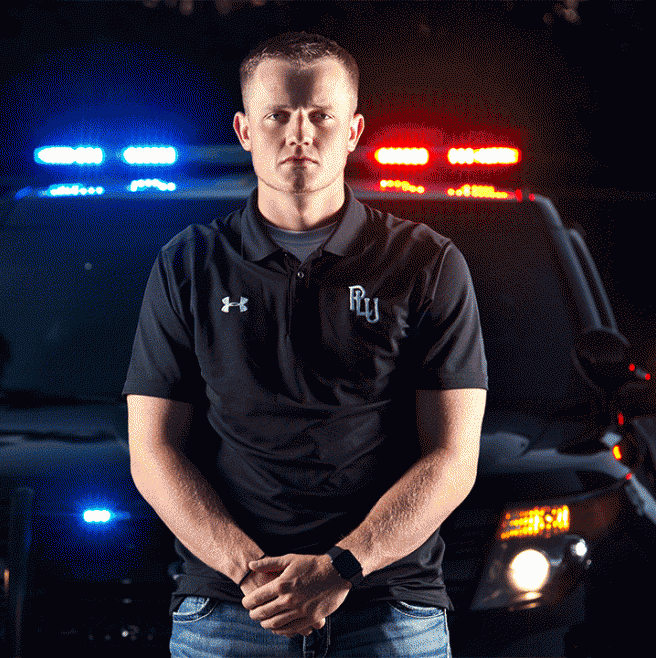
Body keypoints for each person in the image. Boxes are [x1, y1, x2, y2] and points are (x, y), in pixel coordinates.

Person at [123, 31, 487, 658]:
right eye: (277, 115)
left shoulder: (427, 263)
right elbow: (152, 450)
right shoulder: (187, 266)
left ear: (353, 129)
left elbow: (453, 456)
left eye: (320, 114)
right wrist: (249, 572)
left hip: (389, 604)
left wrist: (343, 567)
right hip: (229, 607)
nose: (299, 133)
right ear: (243, 129)